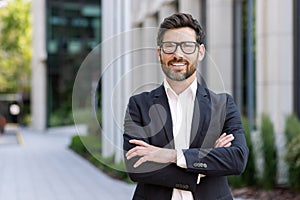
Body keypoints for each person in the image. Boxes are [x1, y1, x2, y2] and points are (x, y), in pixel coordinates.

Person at [123, 13, 249, 200]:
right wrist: (205, 164)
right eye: (169, 47)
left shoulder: (223, 105)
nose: (178, 55)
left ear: (201, 52)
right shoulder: (139, 105)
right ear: (159, 53)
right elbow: (137, 166)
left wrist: (171, 156)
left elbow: (237, 159)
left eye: (187, 46)